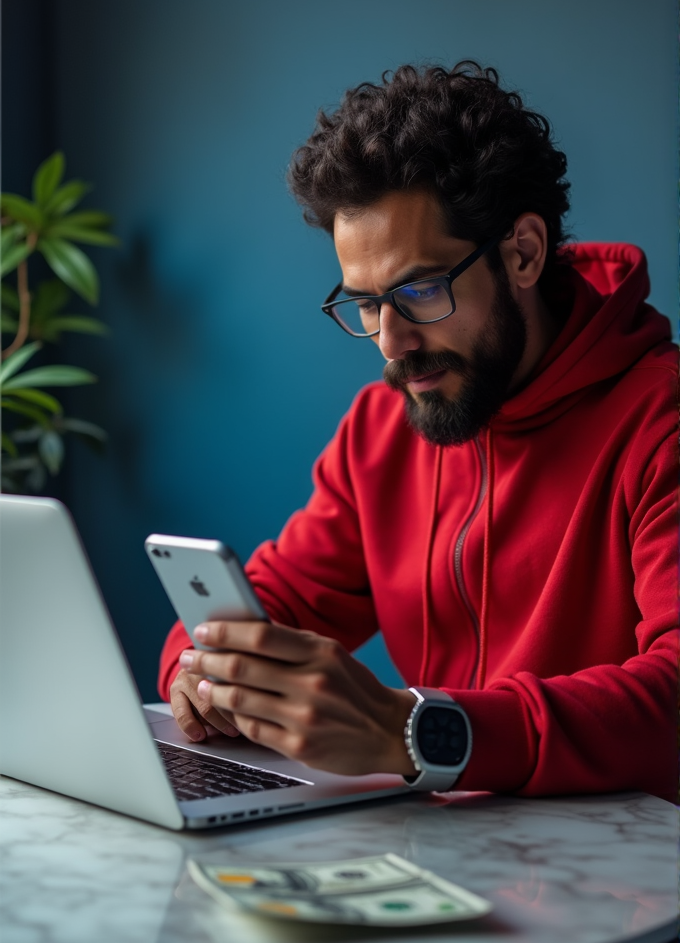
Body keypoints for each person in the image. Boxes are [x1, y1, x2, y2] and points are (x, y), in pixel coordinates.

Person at [158, 62, 677, 807]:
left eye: (419, 291)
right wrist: (199, 667)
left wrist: (419, 730)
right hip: (441, 855)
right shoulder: (382, 427)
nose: (391, 342)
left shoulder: (661, 421)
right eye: (366, 303)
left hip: (633, 887)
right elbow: (277, 597)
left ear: (523, 253)